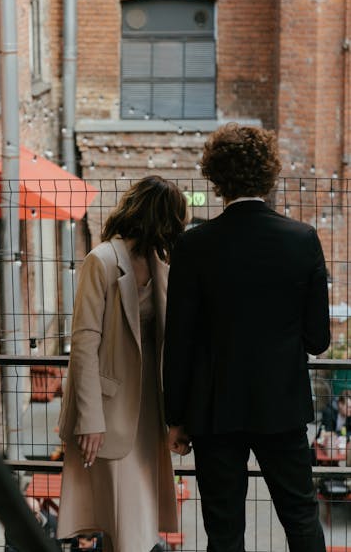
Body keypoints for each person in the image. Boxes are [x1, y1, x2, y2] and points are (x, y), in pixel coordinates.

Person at [163, 123, 330, 552]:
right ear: (269, 175)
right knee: (301, 519)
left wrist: (175, 417)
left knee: (224, 531)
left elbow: (177, 341)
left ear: (216, 179)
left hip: (215, 410)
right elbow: (318, 340)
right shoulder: (302, 240)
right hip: (281, 405)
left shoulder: (194, 245)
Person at [57, 176, 188, 552]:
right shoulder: (101, 261)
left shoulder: (160, 265)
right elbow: (83, 342)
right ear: (159, 219)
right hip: (109, 410)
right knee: (122, 522)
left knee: (141, 519)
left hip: (150, 410)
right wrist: (90, 418)